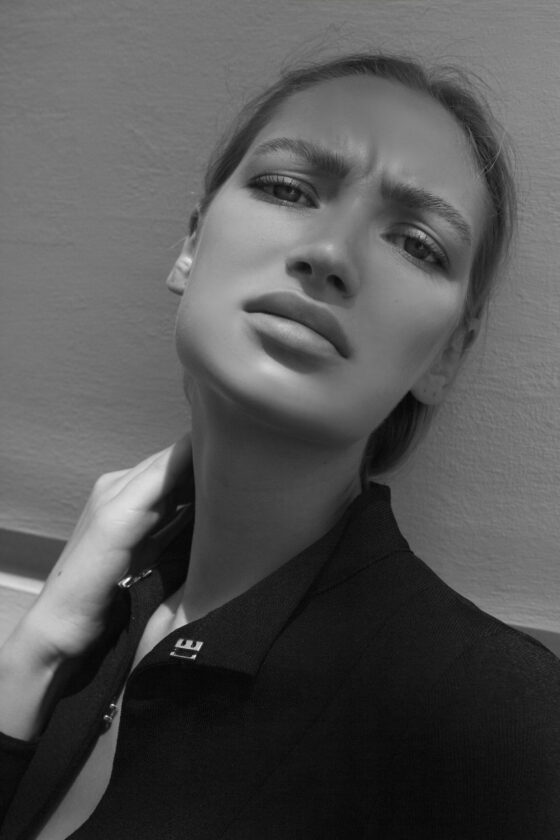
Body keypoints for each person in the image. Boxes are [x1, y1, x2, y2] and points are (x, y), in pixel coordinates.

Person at [1, 52, 559, 840]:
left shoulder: (503, 721)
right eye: (289, 190)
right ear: (192, 243)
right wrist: (35, 649)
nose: (331, 254)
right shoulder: (99, 626)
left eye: (417, 243)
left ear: (447, 355)